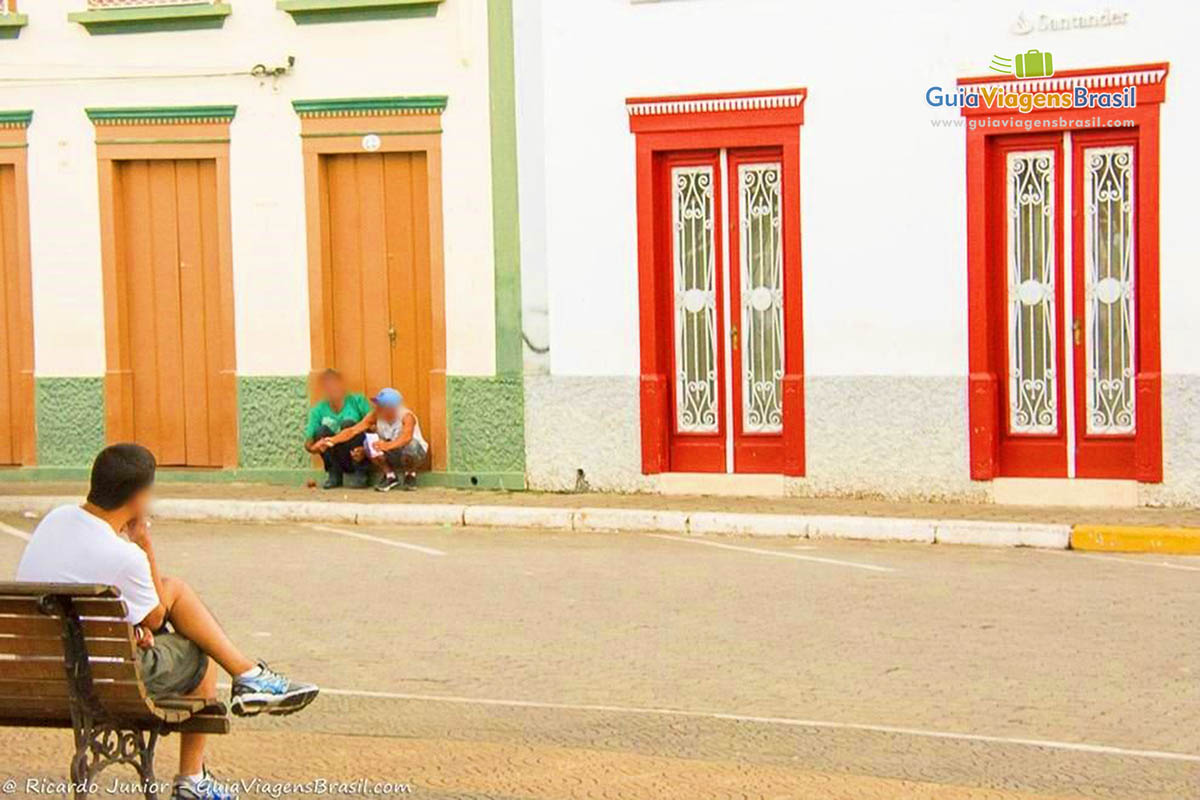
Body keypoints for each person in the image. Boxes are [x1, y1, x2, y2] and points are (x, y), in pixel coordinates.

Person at [15, 444, 319, 800]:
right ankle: (196, 771)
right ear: (138, 497)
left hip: (36, 677)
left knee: (172, 611)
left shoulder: (56, 519)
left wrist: (130, 630)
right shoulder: (124, 555)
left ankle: (249, 677)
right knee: (198, 646)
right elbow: (157, 615)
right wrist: (143, 541)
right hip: (101, 682)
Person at [320, 387, 428, 492]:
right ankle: (390, 476)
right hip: (392, 451)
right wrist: (332, 440)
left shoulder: (406, 416)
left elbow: (406, 438)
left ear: (391, 407)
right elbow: (353, 431)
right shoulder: (375, 415)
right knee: (369, 443)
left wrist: (387, 446)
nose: (377, 407)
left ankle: (410, 474)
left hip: (413, 452)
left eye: (381, 405)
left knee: (411, 445)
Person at [304, 368, 372, 489]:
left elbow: (373, 427)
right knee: (321, 431)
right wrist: (315, 447)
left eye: (334, 385)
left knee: (348, 424)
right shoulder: (318, 410)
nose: (332, 389)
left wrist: (365, 448)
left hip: (357, 452)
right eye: (328, 387)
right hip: (335, 453)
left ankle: (361, 472)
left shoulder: (357, 401)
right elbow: (308, 442)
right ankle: (334, 473)